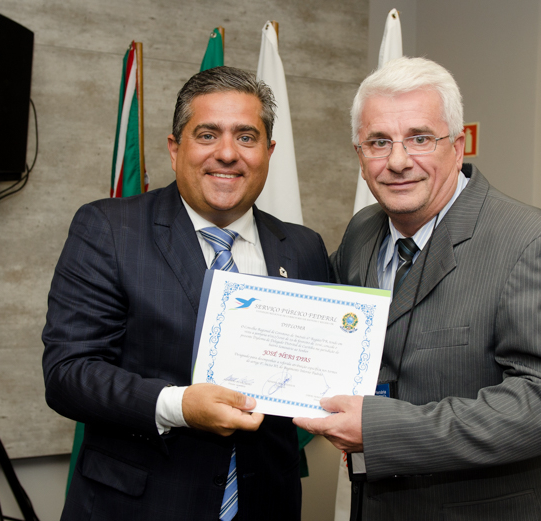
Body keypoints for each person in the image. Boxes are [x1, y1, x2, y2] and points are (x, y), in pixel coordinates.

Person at [294, 57, 541, 520]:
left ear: (457, 147)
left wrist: (382, 431)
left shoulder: (530, 243)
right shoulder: (362, 233)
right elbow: (323, 325)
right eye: (379, 142)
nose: (398, 162)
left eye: (420, 138)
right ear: (359, 155)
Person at [42, 66, 330, 520]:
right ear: (175, 149)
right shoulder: (109, 229)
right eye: (208, 135)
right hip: (137, 507)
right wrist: (179, 406)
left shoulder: (303, 246)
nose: (227, 154)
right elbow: (68, 374)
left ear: (269, 152)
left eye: (246, 137)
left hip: (267, 504)